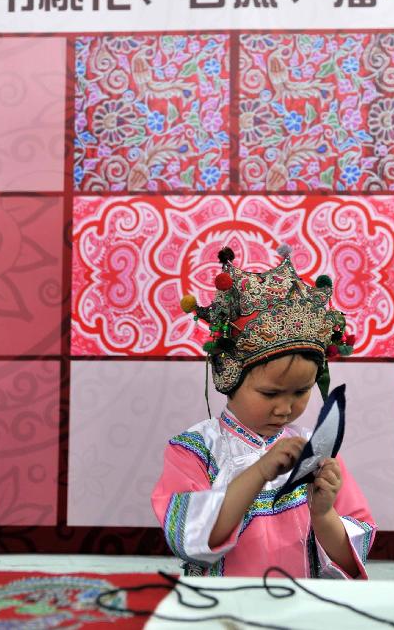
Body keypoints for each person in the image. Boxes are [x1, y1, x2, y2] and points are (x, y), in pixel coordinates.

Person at [151, 244, 376, 579]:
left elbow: (349, 556)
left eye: (301, 392)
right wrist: (260, 471)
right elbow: (192, 539)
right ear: (229, 375)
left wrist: (324, 513)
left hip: (300, 611)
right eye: (270, 392)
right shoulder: (194, 451)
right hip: (223, 614)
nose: (285, 408)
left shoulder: (314, 451)